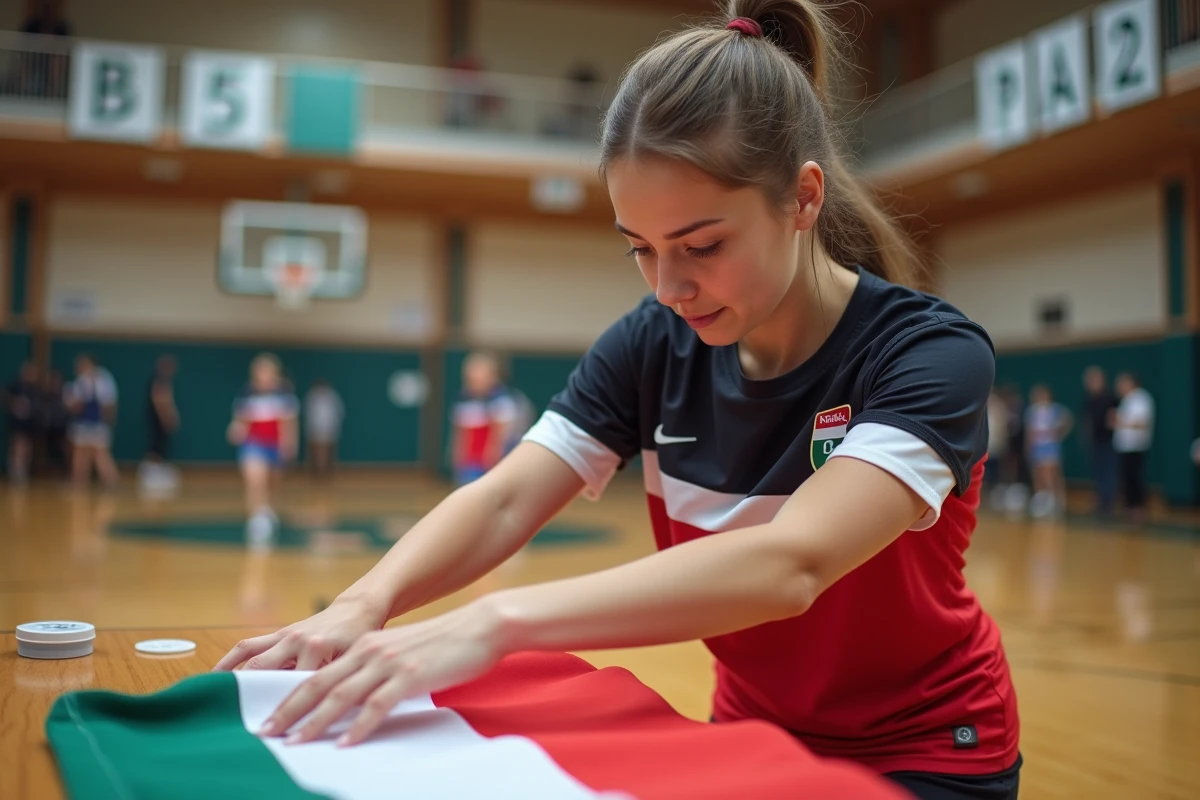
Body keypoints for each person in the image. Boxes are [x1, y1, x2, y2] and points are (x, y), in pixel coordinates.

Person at [215, 4, 1020, 798]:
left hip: (928, 749)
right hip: (752, 732)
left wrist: (491, 624)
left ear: (803, 198)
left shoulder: (930, 353)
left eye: (702, 246)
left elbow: (791, 563)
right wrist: (363, 604)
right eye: (641, 249)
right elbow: (504, 501)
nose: (670, 287)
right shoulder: (652, 343)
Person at [227, 354, 298, 543]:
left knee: (273, 482)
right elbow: (240, 419)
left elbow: (289, 423)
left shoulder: (284, 394)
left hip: (274, 446)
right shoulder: (247, 393)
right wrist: (235, 428)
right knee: (254, 479)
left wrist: (289, 443)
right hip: (253, 444)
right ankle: (256, 519)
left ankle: (269, 511)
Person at [449, 352, 526, 486]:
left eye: (479, 376)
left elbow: (500, 435)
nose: (474, 380)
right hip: (470, 462)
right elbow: (460, 434)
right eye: (470, 377)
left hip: (493, 462)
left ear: (493, 376)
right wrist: (458, 455)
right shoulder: (464, 400)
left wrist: (493, 458)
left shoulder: (501, 400)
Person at [64, 353, 119, 490]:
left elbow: (109, 404)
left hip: (97, 423)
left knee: (100, 454)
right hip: (83, 423)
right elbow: (76, 405)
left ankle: (111, 482)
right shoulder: (81, 381)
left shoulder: (104, 379)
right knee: (80, 452)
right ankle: (78, 482)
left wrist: (107, 422)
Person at [1024, 385, 1073, 519]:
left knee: (1051, 474)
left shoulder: (1054, 409)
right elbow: (1029, 431)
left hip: (1050, 446)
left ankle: (1056, 502)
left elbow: (1068, 420)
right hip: (1037, 446)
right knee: (1038, 473)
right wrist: (1028, 446)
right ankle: (1042, 500)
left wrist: (1059, 433)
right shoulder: (1032, 411)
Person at [1112, 372, 1153, 523]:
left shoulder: (1141, 398)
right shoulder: (1126, 400)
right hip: (1124, 447)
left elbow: (1142, 423)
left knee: (1135, 478)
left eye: (1122, 383)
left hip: (1135, 446)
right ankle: (1129, 508)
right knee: (1127, 478)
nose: (1119, 386)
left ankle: (1138, 509)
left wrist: (1120, 421)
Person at [1081, 366, 1117, 516]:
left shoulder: (1110, 398)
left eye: (1095, 380)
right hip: (1095, 442)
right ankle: (1101, 501)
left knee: (1109, 471)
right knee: (1098, 472)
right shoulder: (1088, 400)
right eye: (1089, 381)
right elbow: (1086, 421)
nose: (1092, 383)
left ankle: (1108, 503)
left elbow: (1114, 419)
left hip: (1109, 441)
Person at [4, 361, 40, 484]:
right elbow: (5, 398)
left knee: (27, 447)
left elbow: (38, 406)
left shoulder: (35, 389)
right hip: (18, 423)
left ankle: (23, 470)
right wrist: (14, 402)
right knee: (18, 445)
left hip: (30, 424)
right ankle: (16, 472)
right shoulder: (16, 386)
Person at [305, 379, 344, 478]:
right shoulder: (312, 397)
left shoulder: (332, 397)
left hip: (330, 430)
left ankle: (328, 472)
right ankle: (315, 472)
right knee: (315, 452)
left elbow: (338, 413)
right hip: (314, 430)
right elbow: (308, 414)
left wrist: (331, 428)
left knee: (329, 452)